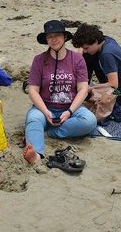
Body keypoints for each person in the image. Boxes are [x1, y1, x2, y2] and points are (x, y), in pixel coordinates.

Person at [23, 20, 97, 164]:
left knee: (90, 121)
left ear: (65, 37)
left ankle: (48, 133)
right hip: (45, 107)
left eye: (57, 35)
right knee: (33, 120)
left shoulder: (77, 59)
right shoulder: (38, 60)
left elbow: (82, 89)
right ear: (46, 39)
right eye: (49, 36)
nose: (53, 39)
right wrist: (45, 111)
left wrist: (69, 111)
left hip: (72, 107)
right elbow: (33, 90)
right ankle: (37, 155)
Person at [71, 23, 121, 106]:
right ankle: (83, 86)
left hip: (120, 95)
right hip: (117, 85)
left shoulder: (106, 54)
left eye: (86, 48)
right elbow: (84, 47)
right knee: (87, 55)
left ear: (95, 41)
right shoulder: (105, 40)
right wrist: (80, 55)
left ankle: (83, 90)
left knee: (88, 56)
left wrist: (89, 90)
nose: (85, 50)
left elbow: (114, 84)